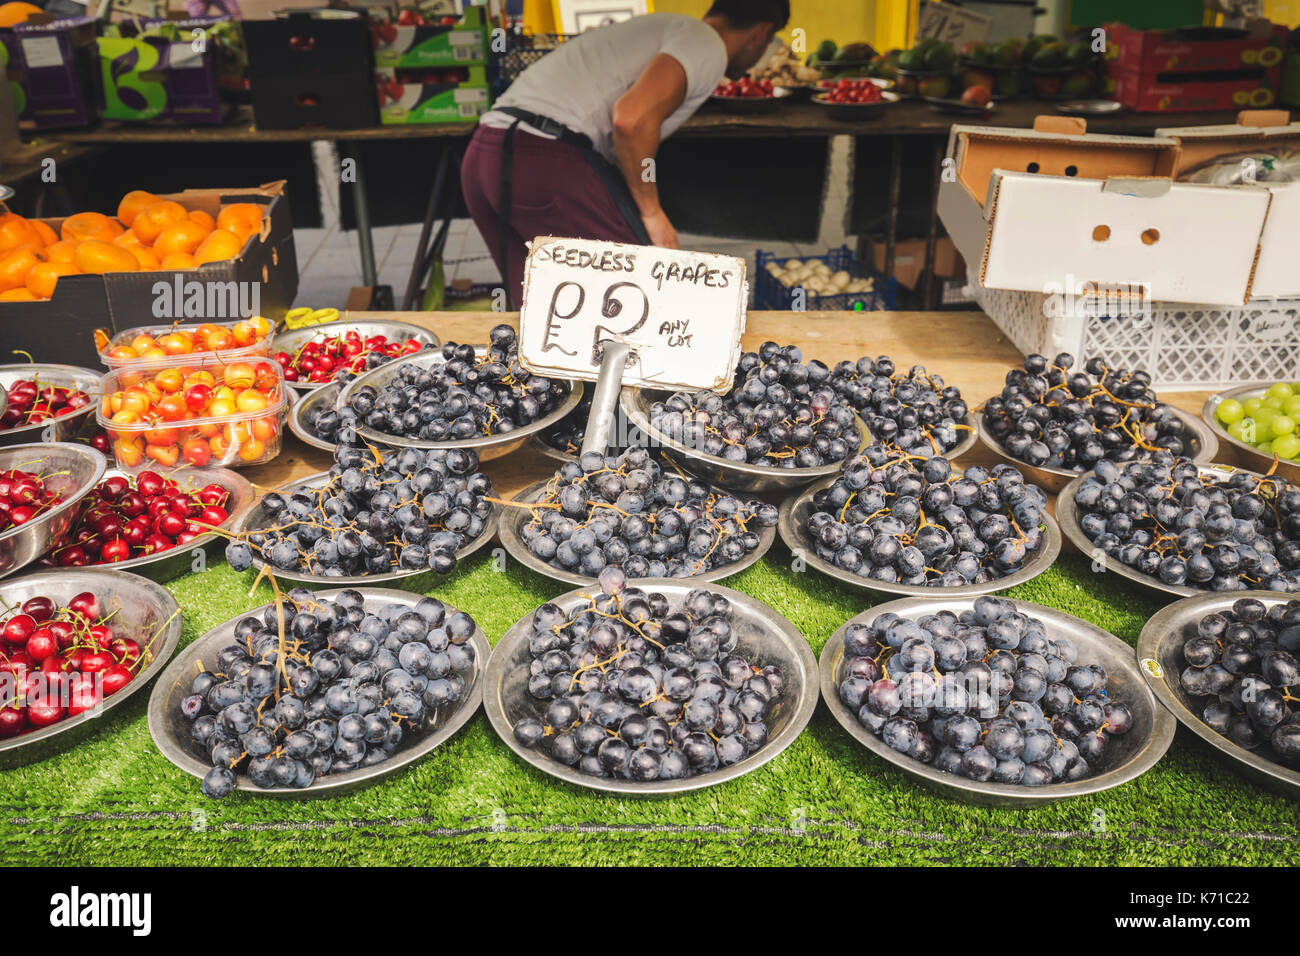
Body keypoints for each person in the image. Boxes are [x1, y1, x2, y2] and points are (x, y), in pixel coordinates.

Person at [460, 0, 790, 307]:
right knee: (637, 291)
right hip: (541, 160)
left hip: (483, 155)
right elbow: (631, 120)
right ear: (760, 34)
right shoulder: (706, 43)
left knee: (537, 311)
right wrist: (651, 213)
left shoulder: (668, 27)